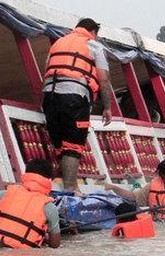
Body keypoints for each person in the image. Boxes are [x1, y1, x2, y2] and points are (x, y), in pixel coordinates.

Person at [42, 18, 112, 193]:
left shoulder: (58, 43)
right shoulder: (93, 45)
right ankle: (71, 188)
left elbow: (48, 70)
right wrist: (107, 107)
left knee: (59, 142)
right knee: (73, 144)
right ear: (94, 32)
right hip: (74, 97)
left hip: (49, 96)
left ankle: (63, 182)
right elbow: (103, 80)